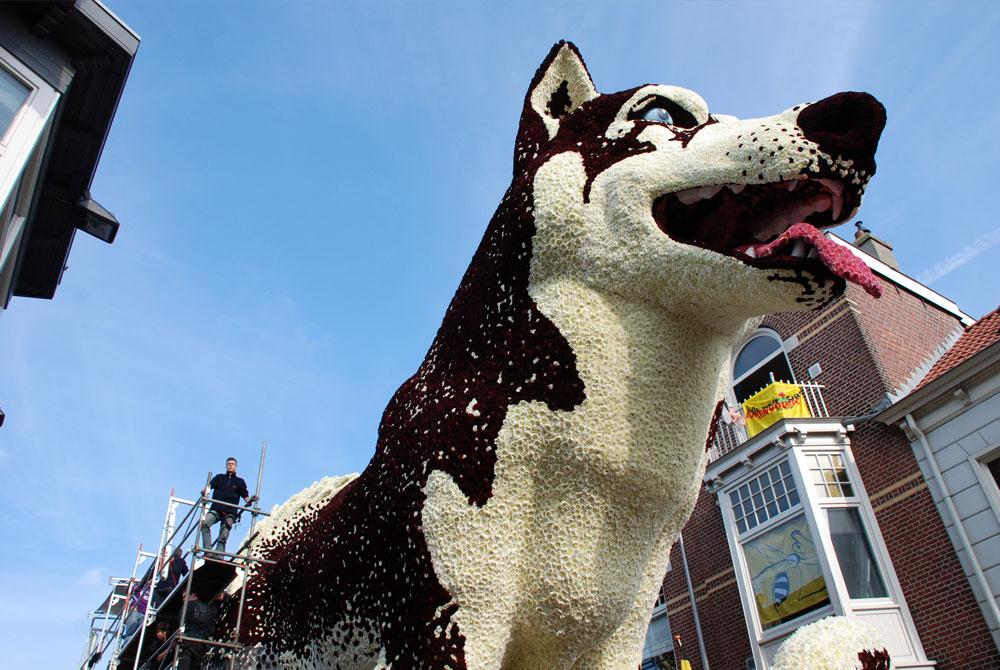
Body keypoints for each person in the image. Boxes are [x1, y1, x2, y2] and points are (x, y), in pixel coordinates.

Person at [199, 457, 256, 554]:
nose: (230, 465)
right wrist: (205, 491)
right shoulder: (219, 478)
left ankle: (218, 557)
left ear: (236, 466)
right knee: (204, 523)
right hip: (216, 509)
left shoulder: (240, 481)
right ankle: (208, 552)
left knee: (223, 537)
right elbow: (209, 487)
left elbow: (245, 494)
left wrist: (249, 500)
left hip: (230, 512)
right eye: (229, 463)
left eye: (232, 464)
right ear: (226, 465)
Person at [176, 591, 216, 670]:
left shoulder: (187, 606)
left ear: (193, 594)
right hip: (203, 641)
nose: (183, 599)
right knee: (196, 665)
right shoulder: (208, 608)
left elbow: (180, 622)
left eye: (184, 596)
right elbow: (212, 627)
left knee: (184, 664)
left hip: (188, 640)